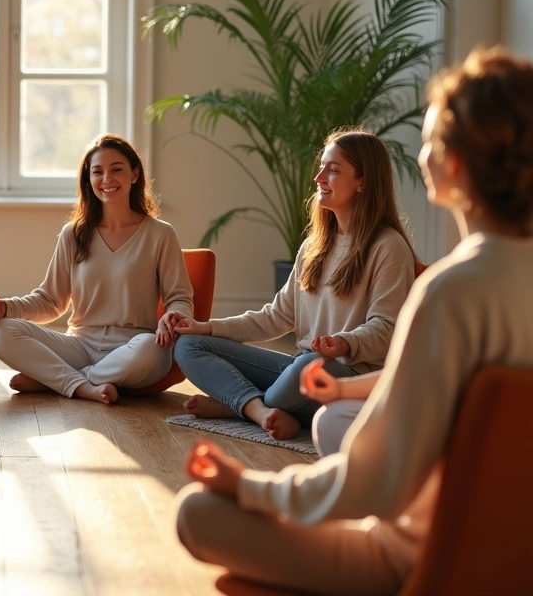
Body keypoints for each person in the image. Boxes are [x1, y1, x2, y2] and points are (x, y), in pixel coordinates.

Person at [173, 45, 533, 594]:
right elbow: (278, 315)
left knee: (196, 513)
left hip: (415, 560)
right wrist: (209, 329)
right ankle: (254, 405)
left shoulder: (450, 291)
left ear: (455, 164)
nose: (419, 157)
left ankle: (245, 408)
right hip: (511, 557)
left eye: (429, 143)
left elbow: (376, 484)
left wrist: (248, 485)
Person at [171, 130, 416, 440]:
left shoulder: (388, 247)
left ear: (363, 182)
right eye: (323, 166)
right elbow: (276, 317)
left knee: (308, 367)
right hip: (298, 369)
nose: (319, 177)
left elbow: (388, 328)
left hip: (348, 378)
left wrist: (343, 343)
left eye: (333, 170)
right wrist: (205, 327)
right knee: (189, 345)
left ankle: (239, 406)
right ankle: (261, 410)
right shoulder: (314, 246)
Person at [0, 134, 193, 405]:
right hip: (79, 345)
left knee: (154, 349)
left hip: (133, 348)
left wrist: (173, 316)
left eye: (116, 169)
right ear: (88, 180)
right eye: (97, 172)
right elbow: (50, 301)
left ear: (134, 174)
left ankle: (60, 380)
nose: (107, 179)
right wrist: (7, 308)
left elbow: (180, 298)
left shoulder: (160, 234)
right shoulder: (74, 234)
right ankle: (81, 385)